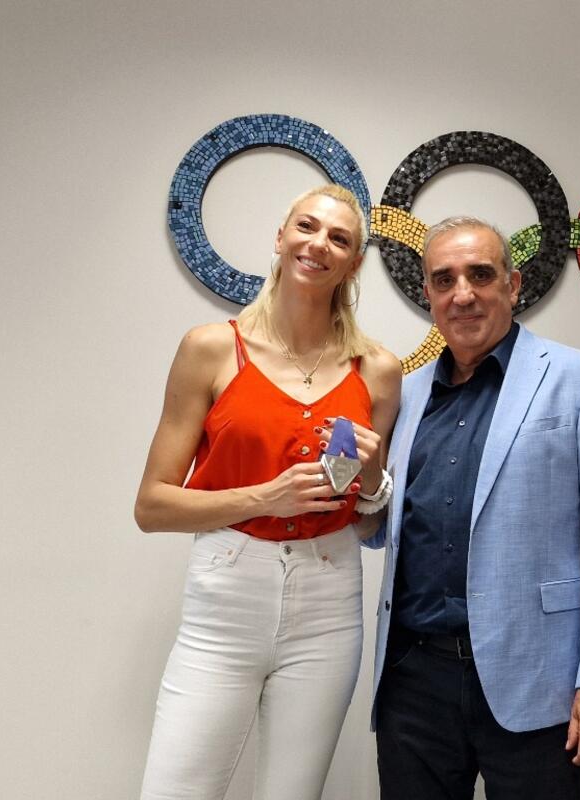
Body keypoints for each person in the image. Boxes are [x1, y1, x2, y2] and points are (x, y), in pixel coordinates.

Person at [133, 184, 401, 800]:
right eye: (306, 227)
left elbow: (367, 522)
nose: (319, 244)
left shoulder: (379, 371)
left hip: (329, 600)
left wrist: (370, 482)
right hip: (227, 593)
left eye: (339, 238)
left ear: (354, 264)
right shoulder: (210, 348)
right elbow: (151, 505)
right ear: (280, 239)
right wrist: (263, 497)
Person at [366, 216, 580, 799]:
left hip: (537, 676)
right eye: (444, 280)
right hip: (414, 680)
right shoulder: (405, 395)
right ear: (428, 294)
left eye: (480, 275)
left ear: (513, 285)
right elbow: (377, 528)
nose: (462, 294)